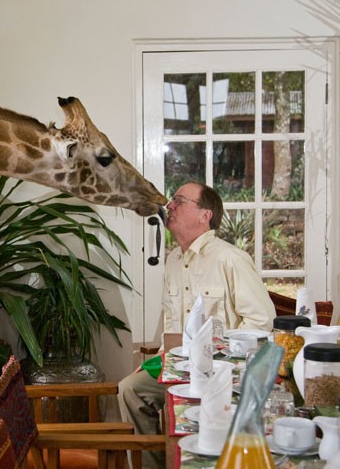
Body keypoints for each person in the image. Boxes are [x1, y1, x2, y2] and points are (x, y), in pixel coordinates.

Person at [118, 181, 276, 469]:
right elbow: (172, 320)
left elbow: (261, 322)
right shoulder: (173, 260)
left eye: (179, 201)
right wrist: (160, 359)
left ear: (205, 216)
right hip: (181, 365)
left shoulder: (231, 259)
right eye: (172, 200)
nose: (169, 205)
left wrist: (221, 354)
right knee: (131, 388)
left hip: (224, 371)